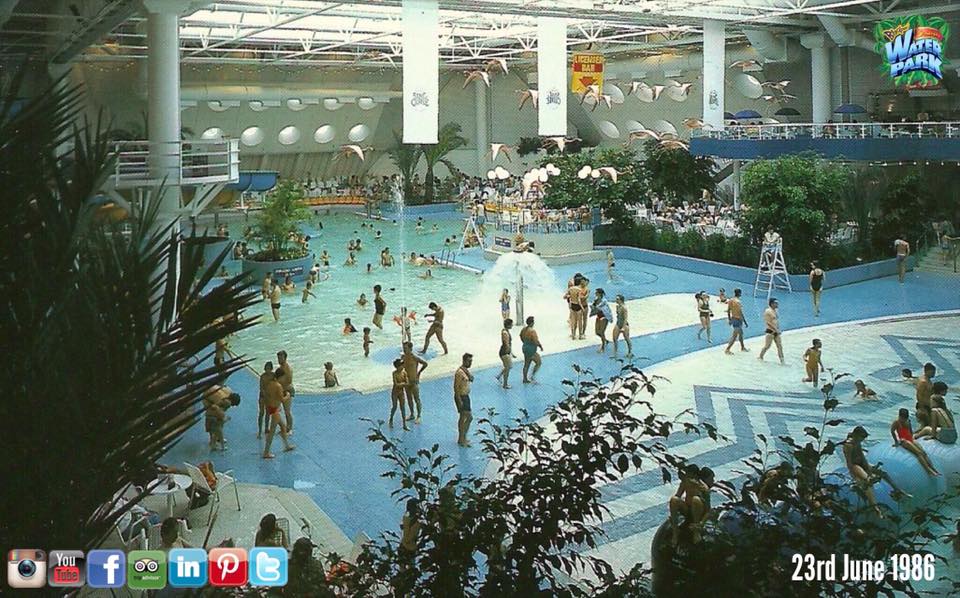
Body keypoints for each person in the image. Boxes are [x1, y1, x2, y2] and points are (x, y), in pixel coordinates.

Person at [843, 426, 910, 517]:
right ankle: (875, 507)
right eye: (861, 438)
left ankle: (897, 490)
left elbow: (862, 457)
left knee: (883, 473)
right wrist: (855, 475)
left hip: (861, 462)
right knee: (868, 481)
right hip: (854, 465)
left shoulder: (857, 442)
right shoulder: (848, 445)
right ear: (856, 435)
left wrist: (869, 469)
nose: (862, 440)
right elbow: (849, 463)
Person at [890, 408, 940, 476]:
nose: (903, 420)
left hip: (910, 439)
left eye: (905, 418)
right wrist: (896, 441)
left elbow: (910, 432)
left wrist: (913, 437)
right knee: (918, 453)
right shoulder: (896, 422)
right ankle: (928, 470)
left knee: (924, 453)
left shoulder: (908, 421)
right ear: (899, 416)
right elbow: (892, 431)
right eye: (902, 418)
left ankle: (933, 468)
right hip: (903, 441)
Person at [668, 464, 710, 545]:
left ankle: (696, 532)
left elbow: (708, 510)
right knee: (674, 499)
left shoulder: (703, 488)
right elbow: (678, 495)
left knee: (696, 499)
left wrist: (702, 523)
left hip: (699, 512)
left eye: (689, 475)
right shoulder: (685, 482)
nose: (687, 477)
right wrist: (674, 512)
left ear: (695, 476)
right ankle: (675, 531)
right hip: (687, 509)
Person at [262, 368, 295, 459]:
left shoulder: (269, 384)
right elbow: (282, 399)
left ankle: (286, 445)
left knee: (283, 427)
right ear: (280, 377)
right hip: (275, 410)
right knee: (272, 431)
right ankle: (266, 452)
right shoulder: (278, 386)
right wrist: (288, 395)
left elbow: (267, 395)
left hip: (271, 408)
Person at [203, 384, 240, 451]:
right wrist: (223, 418)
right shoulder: (225, 401)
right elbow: (217, 410)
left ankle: (215, 439)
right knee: (215, 421)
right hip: (208, 398)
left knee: (215, 419)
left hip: (210, 393)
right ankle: (212, 440)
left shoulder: (228, 392)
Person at [401, 342, 428, 423]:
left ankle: (419, 415)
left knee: (417, 398)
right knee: (409, 398)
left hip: (413, 381)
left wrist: (419, 372)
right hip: (406, 381)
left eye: (405, 348)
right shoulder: (403, 357)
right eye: (403, 348)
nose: (404, 350)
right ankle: (412, 414)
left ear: (410, 348)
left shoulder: (415, 357)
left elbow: (425, 364)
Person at [454, 353, 475, 447]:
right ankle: (463, 438)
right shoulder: (459, 373)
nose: (471, 363)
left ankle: (461, 438)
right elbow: (456, 387)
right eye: (469, 361)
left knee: (462, 417)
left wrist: (468, 372)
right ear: (464, 361)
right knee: (469, 417)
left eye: (471, 361)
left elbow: (472, 379)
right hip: (461, 397)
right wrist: (459, 400)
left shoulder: (465, 370)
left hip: (466, 396)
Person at [757, 297, 784, 364]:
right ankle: (760, 357)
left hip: (776, 331)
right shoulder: (768, 311)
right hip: (770, 331)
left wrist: (778, 329)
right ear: (772, 304)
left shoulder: (775, 311)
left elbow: (776, 321)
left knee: (780, 346)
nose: (777, 304)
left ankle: (782, 361)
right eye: (776, 303)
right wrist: (776, 329)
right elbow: (768, 322)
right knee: (767, 346)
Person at [724, 288, 749, 354]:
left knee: (741, 334)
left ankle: (742, 347)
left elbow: (728, 310)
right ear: (740, 293)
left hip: (733, 318)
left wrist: (729, 319)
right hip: (738, 320)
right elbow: (740, 312)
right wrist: (745, 322)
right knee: (734, 336)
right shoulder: (738, 302)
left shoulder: (731, 300)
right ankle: (727, 349)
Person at [520, 316, 543, 384]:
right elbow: (536, 341)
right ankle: (532, 376)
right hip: (531, 349)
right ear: (532, 323)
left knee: (526, 363)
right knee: (538, 362)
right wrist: (540, 346)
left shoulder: (524, 329)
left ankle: (525, 378)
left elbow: (520, 336)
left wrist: (525, 342)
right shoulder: (532, 331)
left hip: (525, 347)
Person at [277, 350, 295, 434]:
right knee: (282, 410)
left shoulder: (287, 368)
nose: (279, 359)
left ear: (285, 358)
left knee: (287, 411)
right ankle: (285, 427)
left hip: (287, 390)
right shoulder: (281, 368)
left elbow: (289, 380)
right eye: (278, 358)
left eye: (281, 358)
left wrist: (280, 381)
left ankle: (290, 428)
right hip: (282, 389)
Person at [495, 319, 515, 389]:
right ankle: (505, 384)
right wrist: (508, 353)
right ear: (508, 325)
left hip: (506, 352)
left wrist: (511, 353)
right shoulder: (505, 333)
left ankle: (499, 376)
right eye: (511, 324)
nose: (512, 325)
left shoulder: (505, 330)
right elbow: (506, 344)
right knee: (508, 367)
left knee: (508, 366)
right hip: (504, 352)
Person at [390, 359, 409, 430]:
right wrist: (403, 384)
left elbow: (407, 383)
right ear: (397, 367)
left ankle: (404, 424)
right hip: (395, 393)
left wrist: (402, 384)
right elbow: (396, 384)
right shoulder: (394, 373)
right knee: (394, 407)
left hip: (401, 392)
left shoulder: (404, 373)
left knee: (403, 408)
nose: (403, 367)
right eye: (401, 365)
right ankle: (391, 419)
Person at [592, 288, 612, 353]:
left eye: (596, 292)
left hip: (604, 317)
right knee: (597, 332)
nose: (595, 293)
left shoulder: (604, 301)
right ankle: (605, 340)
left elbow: (601, 308)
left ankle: (602, 347)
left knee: (602, 332)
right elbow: (594, 307)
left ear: (600, 293)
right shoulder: (596, 299)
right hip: (598, 316)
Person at [257, 361, 273, 439]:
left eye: (269, 369)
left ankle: (266, 428)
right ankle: (260, 431)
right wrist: (265, 394)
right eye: (266, 369)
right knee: (261, 413)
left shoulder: (273, 376)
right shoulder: (262, 376)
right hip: (263, 396)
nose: (267, 370)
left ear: (271, 369)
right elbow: (261, 388)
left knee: (268, 413)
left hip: (269, 396)